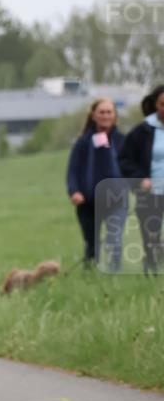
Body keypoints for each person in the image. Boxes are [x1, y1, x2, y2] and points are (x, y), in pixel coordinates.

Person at [66, 97, 128, 272]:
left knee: (115, 241)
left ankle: (115, 276)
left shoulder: (122, 141)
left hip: (116, 200)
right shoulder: (83, 143)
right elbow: (73, 171)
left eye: (109, 112)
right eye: (102, 112)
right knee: (92, 246)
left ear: (115, 115)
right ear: (93, 115)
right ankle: (90, 276)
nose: (106, 116)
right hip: (88, 202)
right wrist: (74, 192)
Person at [120, 84, 164, 275]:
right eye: (163, 104)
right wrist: (140, 179)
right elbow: (124, 159)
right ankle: (152, 271)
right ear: (156, 105)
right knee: (151, 236)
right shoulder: (142, 131)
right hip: (150, 192)